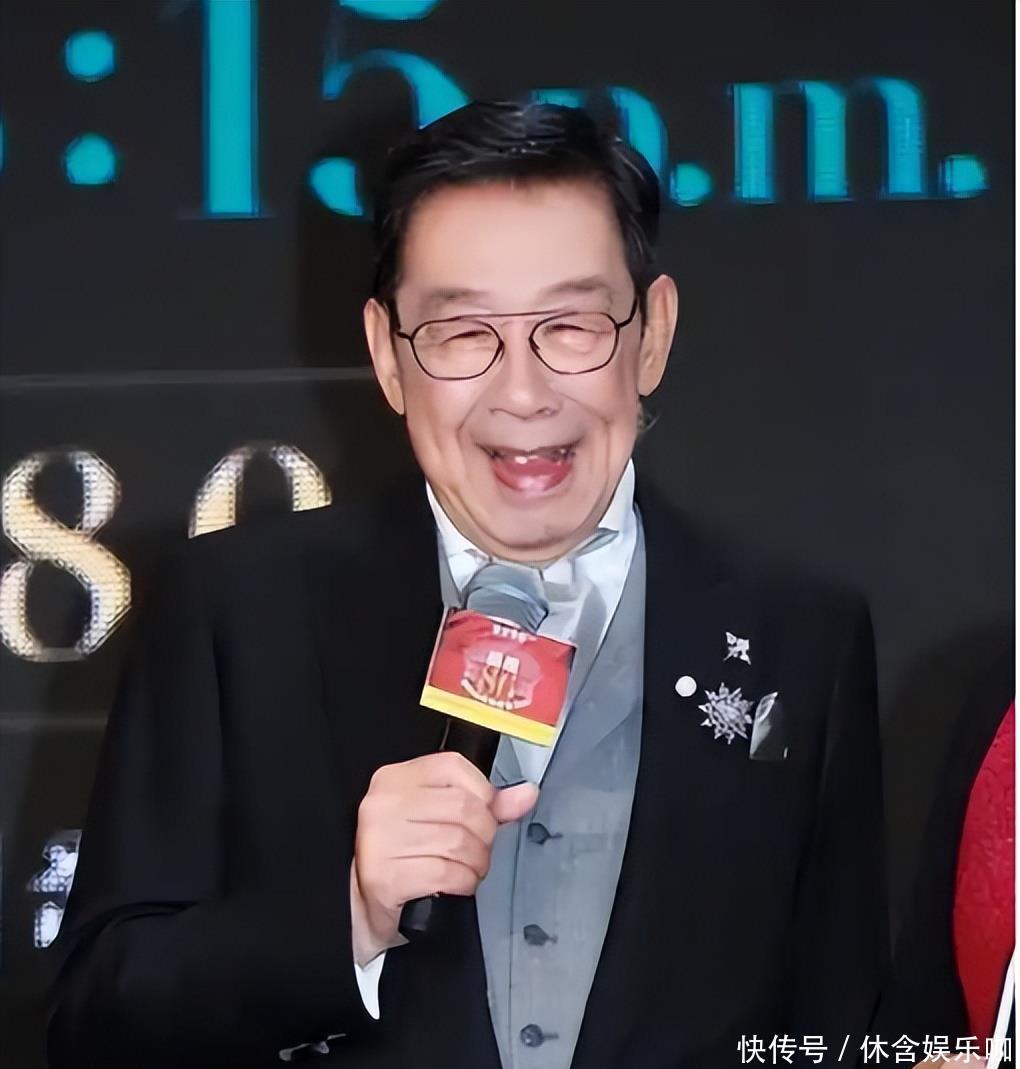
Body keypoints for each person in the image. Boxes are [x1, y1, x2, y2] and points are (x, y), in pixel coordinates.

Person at [47, 101, 888, 1068]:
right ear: (387, 354)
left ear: (652, 334)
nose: (522, 394)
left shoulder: (801, 634)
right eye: (461, 333)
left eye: (571, 326)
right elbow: (97, 1022)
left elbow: (840, 1027)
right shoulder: (235, 612)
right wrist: (350, 916)